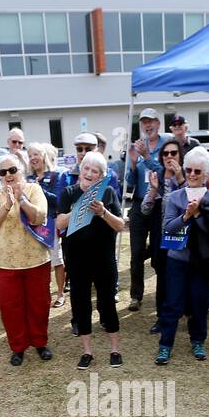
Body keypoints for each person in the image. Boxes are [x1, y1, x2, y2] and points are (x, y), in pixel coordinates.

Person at [56, 150, 124, 369]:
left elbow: (120, 225)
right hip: (76, 259)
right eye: (86, 168)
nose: (89, 173)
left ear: (101, 177)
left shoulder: (109, 193)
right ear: (80, 170)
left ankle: (115, 349)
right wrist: (78, 209)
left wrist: (103, 212)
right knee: (81, 303)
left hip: (103, 258)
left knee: (107, 303)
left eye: (94, 171)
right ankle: (87, 352)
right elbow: (59, 224)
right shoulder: (68, 192)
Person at [156, 146, 209, 364]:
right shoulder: (175, 197)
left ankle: (198, 341)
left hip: (204, 262)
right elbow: (167, 228)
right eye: (190, 170)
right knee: (172, 304)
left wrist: (199, 213)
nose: (192, 175)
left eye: (198, 172)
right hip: (178, 261)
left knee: (199, 303)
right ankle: (165, 345)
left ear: (207, 176)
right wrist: (186, 216)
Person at [0, 152, 52, 365]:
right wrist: (6, 204)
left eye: (12, 170)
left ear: (22, 170)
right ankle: (18, 346)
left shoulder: (34, 189)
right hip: (3, 262)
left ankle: (40, 342)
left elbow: (39, 216)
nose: (8, 175)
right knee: (10, 306)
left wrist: (21, 199)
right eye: (3, 172)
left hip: (36, 259)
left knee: (39, 304)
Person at [125, 107, 174, 312]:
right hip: (139, 203)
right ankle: (136, 296)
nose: (148, 125)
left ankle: (162, 299)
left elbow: (165, 173)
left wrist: (146, 157)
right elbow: (128, 181)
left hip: (159, 206)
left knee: (157, 254)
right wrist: (134, 164)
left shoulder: (166, 144)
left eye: (151, 121)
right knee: (136, 253)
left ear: (158, 124)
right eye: (144, 122)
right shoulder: (137, 145)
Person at [140, 138, 185, 333]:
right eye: (165, 154)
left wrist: (180, 178)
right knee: (163, 279)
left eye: (173, 153)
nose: (169, 157)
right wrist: (152, 190)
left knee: (181, 277)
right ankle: (162, 318)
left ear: (180, 156)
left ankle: (182, 314)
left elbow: (191, 201)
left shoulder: (187, 175)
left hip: (182, 237)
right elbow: (144, 209)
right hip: (161, 238)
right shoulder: (156, 176)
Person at [28, 143, 67, 307]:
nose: (33, 158)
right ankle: (41, 294)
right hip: (32, 225)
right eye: (30, 155)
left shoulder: (56, 176)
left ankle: (60, 293)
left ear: (43, 156)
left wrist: (39, 189)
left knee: (56, 260)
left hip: (51, 224)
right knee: (37, 262)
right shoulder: (27, 178)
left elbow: (59, 200)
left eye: (36, 154)